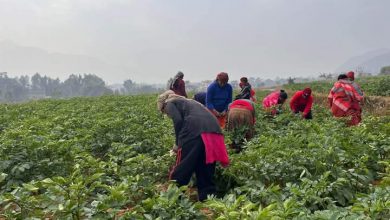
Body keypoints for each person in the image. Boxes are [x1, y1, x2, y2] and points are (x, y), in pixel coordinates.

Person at [157, 90, 229, 201]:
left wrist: (178, 143)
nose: (167, 114)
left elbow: (177, 120)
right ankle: (207, 198)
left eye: (164, 112)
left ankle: (174, 197)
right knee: (205, 166)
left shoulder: (169, 102)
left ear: (163, 105)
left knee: (183, 166)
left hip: (194, 130)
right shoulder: (189, 102)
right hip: (214, 130)